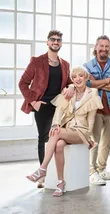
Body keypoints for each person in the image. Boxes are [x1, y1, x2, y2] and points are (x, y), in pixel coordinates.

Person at [26, 66, 103, 197]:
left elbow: (91, 119)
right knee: (59, 145)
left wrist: (89, 137)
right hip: (68, 128)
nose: (78, 79)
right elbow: (59, 110)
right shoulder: (69, 92)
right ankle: (61, 182)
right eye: (74, 77)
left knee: (56, 132)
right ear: (72, 80)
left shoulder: (93, 93)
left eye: (80, 76)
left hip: (81, 131)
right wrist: (56, 124)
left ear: (85, 77)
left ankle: (42, 168)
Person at [19, 30, 74, 188]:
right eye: (53, 39)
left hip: (59, 107)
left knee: (56, 138)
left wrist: (70, 86)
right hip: (42, 106)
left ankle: (54, 175)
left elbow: (69, 82)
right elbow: (22, 83)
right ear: (47, 42)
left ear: (61, 43)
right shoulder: (37, 61)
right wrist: (33, 101)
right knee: (44, 139)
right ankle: (43, 176)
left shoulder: (65, 64)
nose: (56, 42)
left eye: (58, 40)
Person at [84, 35, 110, 185]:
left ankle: (102, 169)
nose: (104, 49)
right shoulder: (87, 66)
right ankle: (92, 172)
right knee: (94, 141)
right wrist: (108, 80)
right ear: (96, 47)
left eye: (107, 46)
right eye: (101, 46)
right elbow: (87, 84)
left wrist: (97, 83)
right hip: (95, 109)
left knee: (107, 142)